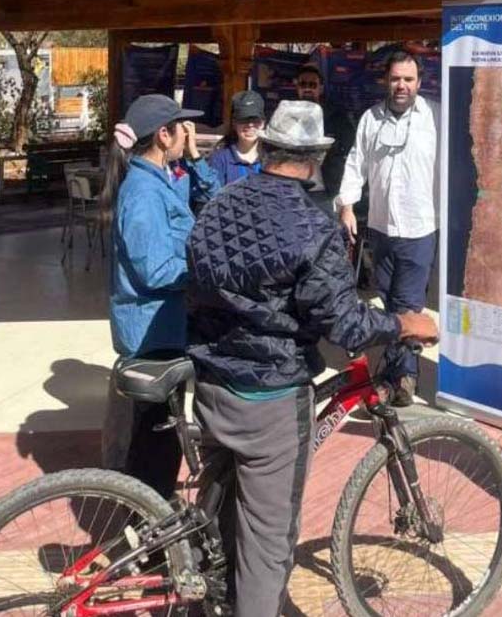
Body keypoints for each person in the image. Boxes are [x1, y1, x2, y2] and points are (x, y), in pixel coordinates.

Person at [185, 100, 439, 616]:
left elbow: (198, 272)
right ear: (314, 157)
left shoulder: (219, 202)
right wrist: (403, 323)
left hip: (210, 383)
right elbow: (344, 325)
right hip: (270, 398)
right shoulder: (311, 225)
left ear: (272, 147)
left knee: (218, 510)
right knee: (267, 541)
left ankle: (208, 595)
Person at [101, 94, 219, 500]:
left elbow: (213, 197)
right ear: (163, 134)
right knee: (156, 443)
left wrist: (194, 156)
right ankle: (148, 526)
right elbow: (154, 269)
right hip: (153, 332)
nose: (190, 132)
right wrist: (210, 274)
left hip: (165, 327)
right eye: (181, 127)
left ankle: (150, 516)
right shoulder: (143, 193)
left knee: (161, 436)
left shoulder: (165, 177)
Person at [336, 50, 440, 406]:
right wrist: (347, 205)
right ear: (387, 80)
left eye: (408, 80)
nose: (401, 86)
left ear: (419, 83)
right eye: (396, 78)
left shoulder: (435, 117)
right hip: (381, 227)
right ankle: (399, 371)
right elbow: (356, 162)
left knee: (408, 304)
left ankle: (400, 378)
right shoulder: (371, 118)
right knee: (389, 300)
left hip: (419, 228)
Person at [293, 63, 356, 216]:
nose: (307, 88)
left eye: (312, 84)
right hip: (295, 191)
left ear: (320, 87)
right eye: (303, 84)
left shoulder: (337, 117)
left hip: (327, 191)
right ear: (297, 87)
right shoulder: (287, 115)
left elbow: (351, 152)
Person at [207, 90, 266, 185]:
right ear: (234, 123)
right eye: (244, 120)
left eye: (255, 120)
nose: (250, 124)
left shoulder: (271, 158)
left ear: (263, 123)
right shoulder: (220, 159)